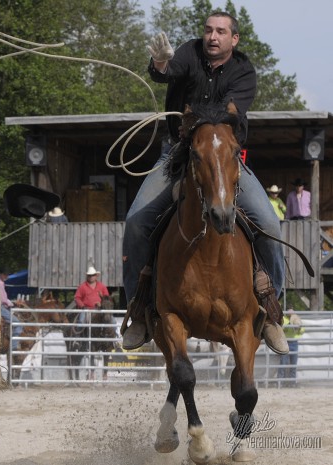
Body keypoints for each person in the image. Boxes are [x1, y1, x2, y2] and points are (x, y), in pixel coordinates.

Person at [121, 12, 288, 354]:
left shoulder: (244, 71)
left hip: (225, 156)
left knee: (269, 220)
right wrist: (161, 63)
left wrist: (195, 115)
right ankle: (139, 312)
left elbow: (227, 115)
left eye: (221, 31)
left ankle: (271, 313)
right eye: (209, 30)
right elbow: (167, 71)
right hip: (176, 153)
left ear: (234, 39)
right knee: (136, 222)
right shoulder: (188, 52)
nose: (213, 36)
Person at [278, 309, 305, 386]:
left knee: (293, 364)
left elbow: (302, 330)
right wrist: (289, 324)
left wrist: (299, 327)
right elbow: (280, 329)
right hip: (285, 343)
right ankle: (280, 382)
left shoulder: (297, 318)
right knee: (283, 363)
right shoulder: (283, 319)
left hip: (294, 342)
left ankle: (292, 383)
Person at [0, 269, 23, 351]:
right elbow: (3, 300)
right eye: (5, 274)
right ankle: (13, 349)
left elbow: (4, 299)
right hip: (0, 307)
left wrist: (12, 302)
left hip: (1, 306)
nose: (7, 276)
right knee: (18, 324)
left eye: (7, 275)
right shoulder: (0, 283)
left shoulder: (0, 282)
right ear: (1, 274)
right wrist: (13, 304)